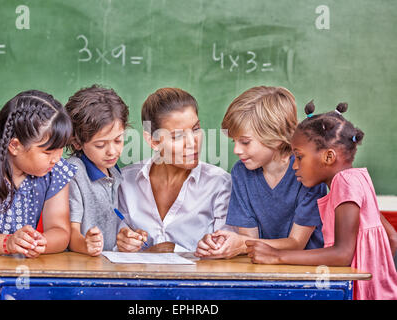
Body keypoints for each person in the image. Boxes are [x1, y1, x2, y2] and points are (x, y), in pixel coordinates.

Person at [245, 101, 397, 300]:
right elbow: (392, 237)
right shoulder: (356, 180)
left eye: (299, 157)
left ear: (328, 157)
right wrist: (380, 278)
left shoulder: (345, 184)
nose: (294, 166)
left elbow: (342, 255)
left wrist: (276, 256)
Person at [0, 90, 76, 299]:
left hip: (16, 284)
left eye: (61, 149)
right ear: (15, 146)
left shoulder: (55, 172)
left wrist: (41, 242)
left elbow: (61, 232)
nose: (56, 158)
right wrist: (7, 243)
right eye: (47, 151)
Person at [195, 86, 326, 259]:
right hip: (260, 268)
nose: (236, 150)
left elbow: (296, 243)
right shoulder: (241, 173)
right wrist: (222, 244)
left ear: (276, 138)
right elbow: (248, 241)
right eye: (234, 141)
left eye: (245, 142)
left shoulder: (308, 172)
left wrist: (241, 244)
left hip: (303, 271)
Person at [116, 87, 233, 253]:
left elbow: (225, 253)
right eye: (178, 136)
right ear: (153, 141)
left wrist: (174, 250)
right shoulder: (125, 182)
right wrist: (123, 242)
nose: (192, 143)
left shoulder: (220, 184)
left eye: (195, 129)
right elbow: (116, 242)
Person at [65, 85, 129, 256]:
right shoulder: (73, 173)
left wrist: (126, 239)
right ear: (77, 143)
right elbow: (70, 233)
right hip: (79, 268)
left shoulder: (114, 172)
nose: (112, 151)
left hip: (105, 266)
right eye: (100, 145)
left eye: (118, 140)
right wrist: (86, 245)